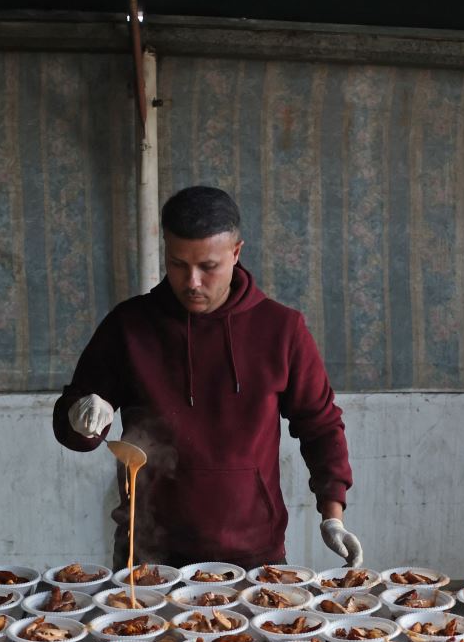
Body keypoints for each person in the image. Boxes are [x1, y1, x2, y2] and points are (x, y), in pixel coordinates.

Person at [52, 186, 361, 570]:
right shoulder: (129, 327)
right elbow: (74, 430)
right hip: (149, 556)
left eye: (208, 267)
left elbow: (321, 425)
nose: (192, 282)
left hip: (254, 557)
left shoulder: (281, 330)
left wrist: (332, 515)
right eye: (178, 264)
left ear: (236, 252)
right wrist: (80, 416)